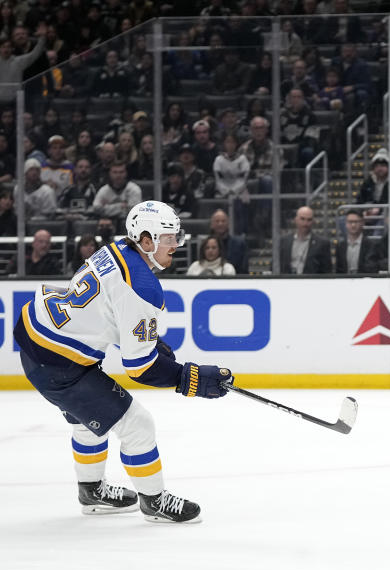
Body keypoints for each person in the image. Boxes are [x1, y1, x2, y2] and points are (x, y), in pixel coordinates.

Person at [14, 201, 233, 523]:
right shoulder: (142, 288)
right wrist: (193, 378)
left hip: (38, 341)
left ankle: (92, 492)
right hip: (59, 364)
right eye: (170, 238)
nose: (178, 245)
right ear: (146, 241)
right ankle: (154, 501)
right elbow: (141, 369)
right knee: (137, 426)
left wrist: (147, 340)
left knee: (88, 420)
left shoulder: (116, 251)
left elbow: (105, 308)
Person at [278, 205, 331, 274]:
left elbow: (327, 271)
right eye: (302, 219)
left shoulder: (322, 244)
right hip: (287, 282)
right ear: (296, 220)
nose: (305, 223)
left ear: (313, 222)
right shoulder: (284, 241)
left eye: (309, 220)